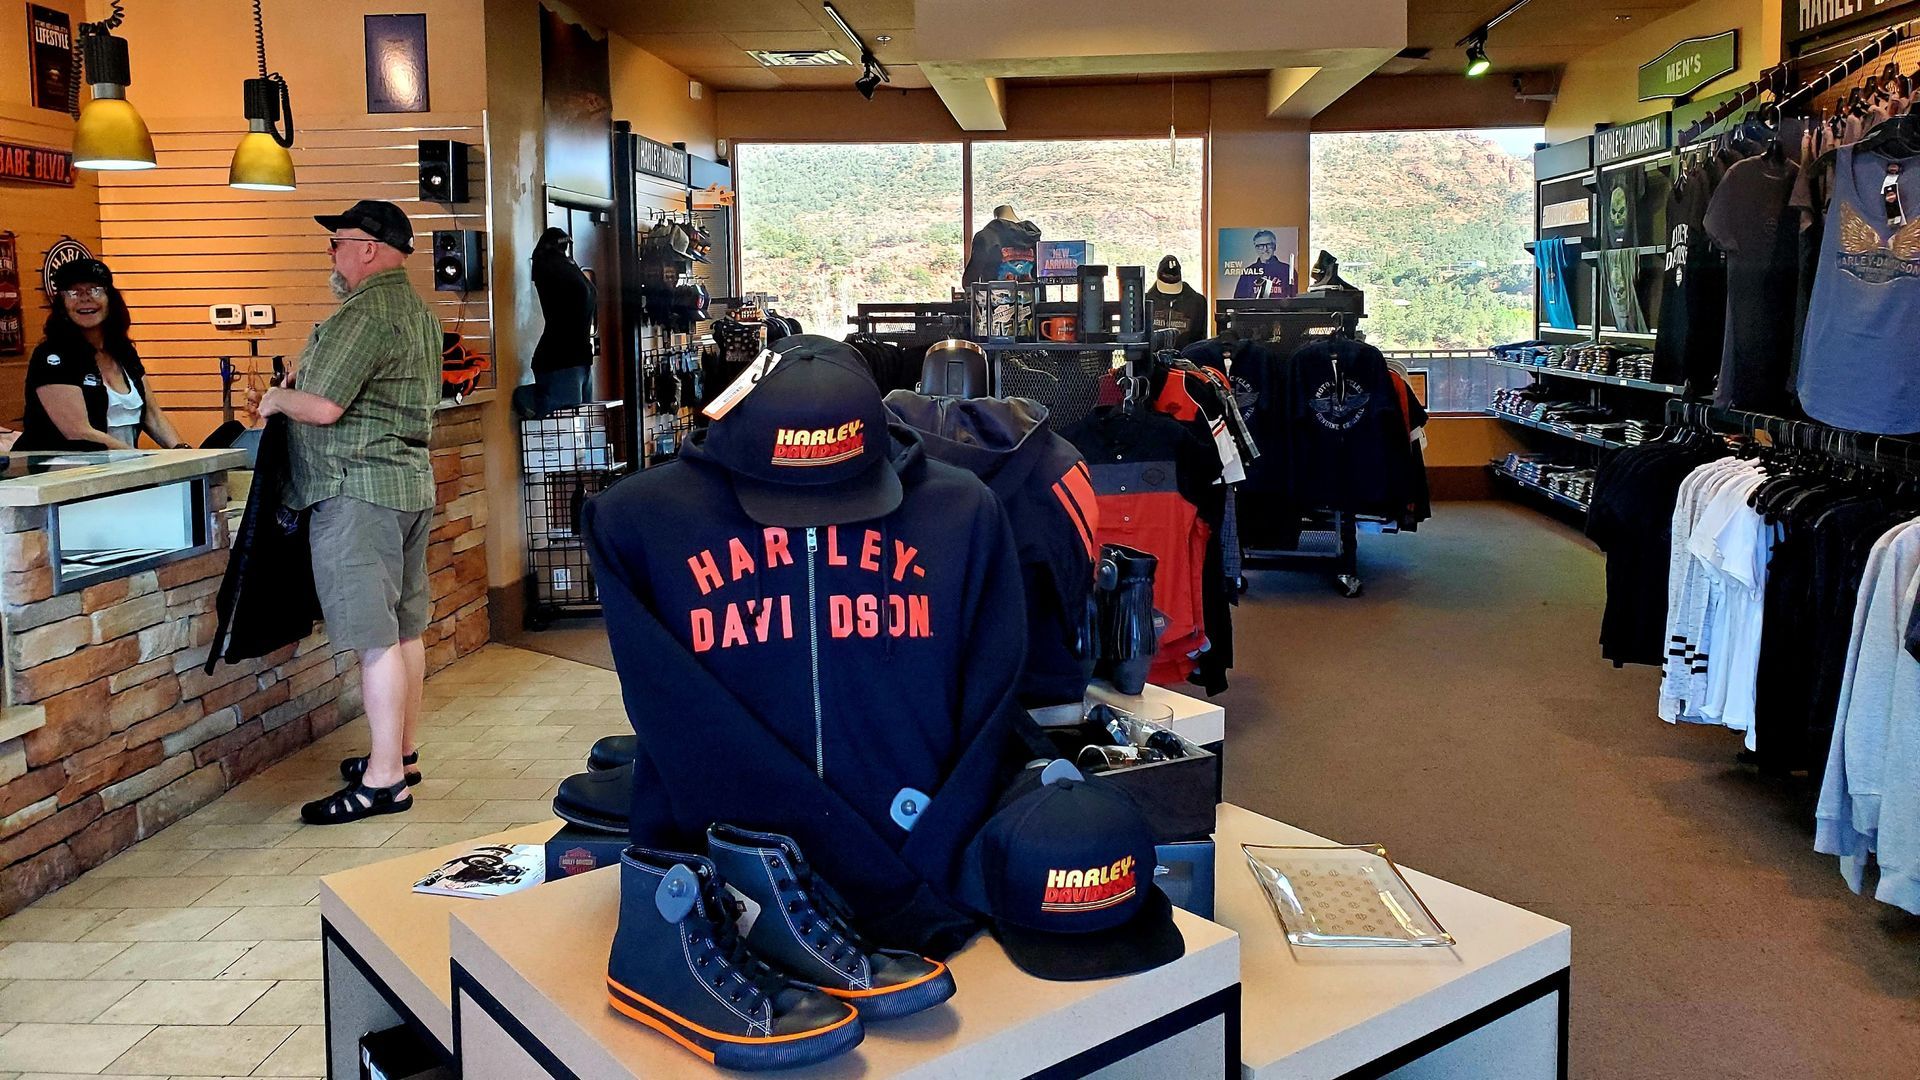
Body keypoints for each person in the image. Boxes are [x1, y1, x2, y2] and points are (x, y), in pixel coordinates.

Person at [248, 199, 441, 826]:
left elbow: (325, 406)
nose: (331, 254)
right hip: (407, 485)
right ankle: (401, 754)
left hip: (359, 492)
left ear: (369, 248)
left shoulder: (365, 312)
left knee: (373, 639)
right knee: (405, 628)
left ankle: (384, 781)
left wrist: (277, 396)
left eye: (337, 244)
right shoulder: (414, 311)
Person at [19, 258, 189, 451]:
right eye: (74, 292)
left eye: (95, 289)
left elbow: (153, 416)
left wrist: (182, 453)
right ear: (62, 303)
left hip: (123, 472)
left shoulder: (124, 351)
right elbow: (79, 431)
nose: (85, 298)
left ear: (111, 298)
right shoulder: (52, 357)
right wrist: (142, 462)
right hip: (67, 475)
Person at [512, 226, 596, 418]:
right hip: (561, 359)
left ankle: (537, 400)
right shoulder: (549, 265)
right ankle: (530, 400)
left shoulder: (567, 265)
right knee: (565, 430)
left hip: (578, 359)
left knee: (578, 430)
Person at [1233, 229, 1296, 299]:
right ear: (1256, 249)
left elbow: (1296, 299)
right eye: (1261, 246)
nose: (1265, 249)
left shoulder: (1288, 270)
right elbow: (1238, 303)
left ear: (1274, 247)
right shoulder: (1248, 272)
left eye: (1268, 245)